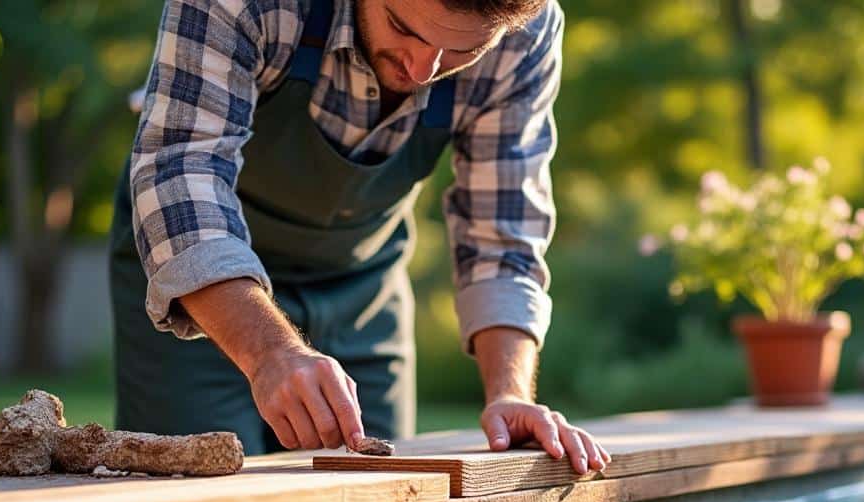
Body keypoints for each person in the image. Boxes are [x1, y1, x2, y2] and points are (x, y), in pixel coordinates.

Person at [108, 0, 610, 476]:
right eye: (403, 27)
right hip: (199, 288)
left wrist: (510, 393)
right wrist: (270, 353)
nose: (421, 71)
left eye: (461, 53)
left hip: (363, 287)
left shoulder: (528, 30)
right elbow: (182, 170)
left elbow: (502, 230)